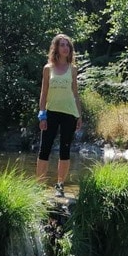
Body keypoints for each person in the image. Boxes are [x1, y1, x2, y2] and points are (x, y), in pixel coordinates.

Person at [36, 34, 83, 197]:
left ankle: (60, 184)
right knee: (44, 149)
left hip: (69, 113)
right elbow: (44, 93)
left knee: (65, 150)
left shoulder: (73, 69)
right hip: (51, 113)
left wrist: (79, 115)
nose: (65, 48)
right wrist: (42, 115)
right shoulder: (48, 68)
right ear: (56, 48)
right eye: (62, 45)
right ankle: (39, 185)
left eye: (67, 45)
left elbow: (75, 94)